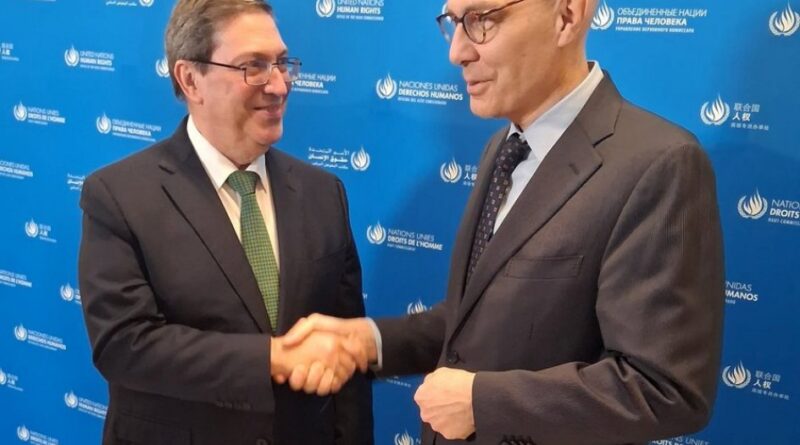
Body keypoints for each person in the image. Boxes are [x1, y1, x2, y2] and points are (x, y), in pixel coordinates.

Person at [283, 0, 725, 444]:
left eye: (482, 20)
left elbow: (663, 388)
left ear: (567, 16)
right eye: (455, 23)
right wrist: (370, 342)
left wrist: (483, 403)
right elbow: (481, 321)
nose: (457, 52)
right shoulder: (502, 147)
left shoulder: (657, 164)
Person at [78, 1, 372, 444]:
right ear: (190, 79)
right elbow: (124, 345)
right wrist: (271, 358)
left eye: (281, 63)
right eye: (253, 67)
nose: (279, 85)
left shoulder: (323, 193)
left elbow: (346, 354)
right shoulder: (118, 196)